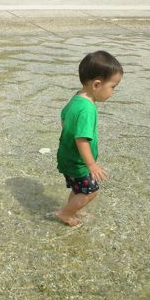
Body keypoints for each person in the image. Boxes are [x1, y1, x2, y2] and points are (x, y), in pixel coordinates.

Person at [54, 50, 123, 227]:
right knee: (91, 192)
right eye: (113, 86)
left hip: (67, 156)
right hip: (79, 162)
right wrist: (91, 165)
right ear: (97, 85)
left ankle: (73, 208)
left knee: (80, 190)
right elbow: (82, 139)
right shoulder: (87, 109)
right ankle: (65, 213)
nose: (113, 92)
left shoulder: (77, 98)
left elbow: (63, 119)